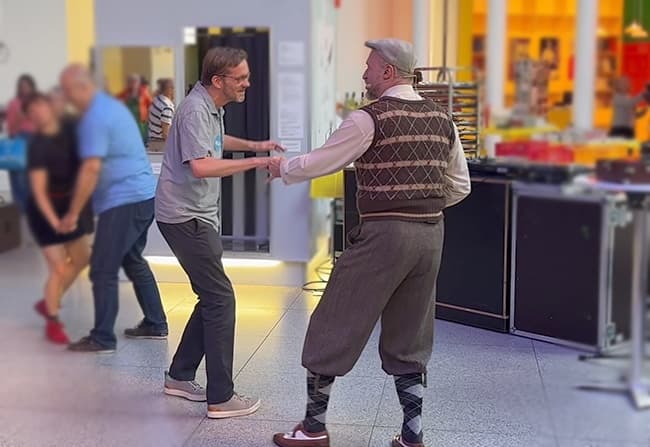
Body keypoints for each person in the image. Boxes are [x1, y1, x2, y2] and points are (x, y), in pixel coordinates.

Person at [268, 39, 471, 447]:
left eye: (369, 66)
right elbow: (460, 185)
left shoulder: (369, 118)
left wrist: (282, 166)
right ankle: (412, 436)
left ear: (388, 71)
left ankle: (312, 429)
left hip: (384, 235)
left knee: (333, 321)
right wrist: (422, 203)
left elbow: (323, 161)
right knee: (411, 332)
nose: (364, 74)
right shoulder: (442, 119)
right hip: (431, 235)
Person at [155, 47, 284, 419]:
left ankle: (179, 376)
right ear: (218, 80)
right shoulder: (196, 109)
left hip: (194, 215)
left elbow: (215, 141)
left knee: (211, 296)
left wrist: (255, 146)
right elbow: (201, 165)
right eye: (240, 78)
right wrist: (259, 162)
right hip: (185, 217)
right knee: (221, 299)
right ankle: (221, 397)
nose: (247, 83)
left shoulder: (209, 109)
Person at [59, 64, 168, 353]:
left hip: (124, 200)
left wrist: (72, 213)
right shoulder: (110, 108)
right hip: (142, 197)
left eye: (68, 91)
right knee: (133, 259)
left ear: (82, 87)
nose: (67, 98)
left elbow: (91, 168)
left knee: (103, 268)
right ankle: (156, 323)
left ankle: (103, 337)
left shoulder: (96, 116)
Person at [23, 93, 93, 344]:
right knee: (59, 267)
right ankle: (52, 321)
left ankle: (49, 300)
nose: (37, 113)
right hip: (45, 212)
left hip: (71, 205)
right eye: (31, 112)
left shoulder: (70, 129)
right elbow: (39, 192)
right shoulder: (38, 146)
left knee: (83, 258)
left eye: (39, 106)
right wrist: (55, 222)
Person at [5, 74, 38, 211]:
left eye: (27, 86)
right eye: (22, 86)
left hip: (35, 141)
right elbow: (11, 129)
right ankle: (20, 209)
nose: (24, 89)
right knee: (18, 178)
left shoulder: (37, 103)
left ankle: (32, 208)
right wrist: (20, 116)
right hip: (19, 141)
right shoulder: (14, 104)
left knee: (33, 178)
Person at [118, 73, 152, 141]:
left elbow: (151, 104)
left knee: (141, 139)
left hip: (140, 121)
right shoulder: (125, 93)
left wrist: (148, 116)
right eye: (131, 81)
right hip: (128, 121)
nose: (133, 83)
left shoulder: (143, 92)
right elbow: (116, 102)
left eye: (135, 81)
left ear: (139, 83)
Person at [147, 78, 175, 152]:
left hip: (152, 142)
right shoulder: (167, 106)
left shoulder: (155, 100)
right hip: (161, 144)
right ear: (169, 90)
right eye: (174, 88)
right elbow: (166, 133)